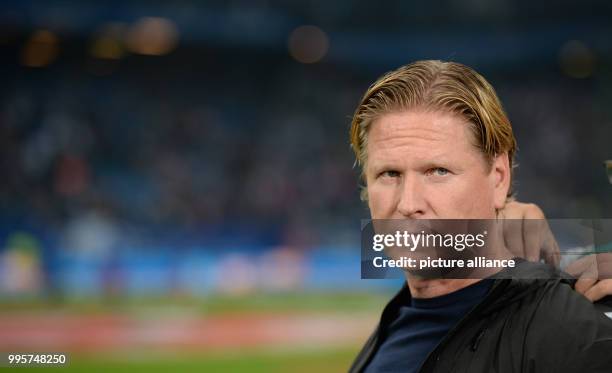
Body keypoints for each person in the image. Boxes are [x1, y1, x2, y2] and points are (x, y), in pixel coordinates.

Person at [348, 60, 612, 372]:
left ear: (499, 177)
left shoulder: (570, 331)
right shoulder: (394, 328)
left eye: (437, 171)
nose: (408, 203)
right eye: (389, 173)